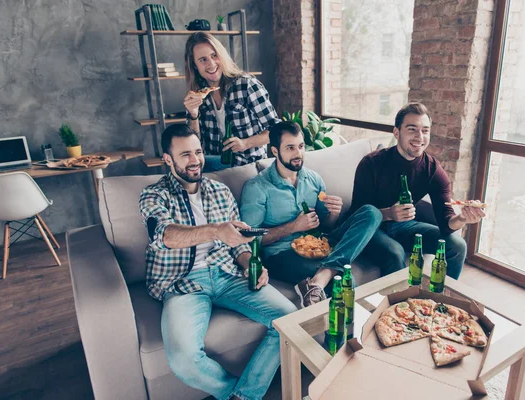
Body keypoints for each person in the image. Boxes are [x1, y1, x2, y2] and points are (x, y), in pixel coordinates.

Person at [138, 124, 297, 400]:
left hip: (228, 275)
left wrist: (250, 264)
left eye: (198, 152)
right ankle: (238, 393)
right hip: (182, 283)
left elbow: (238, 246)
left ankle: (245, 396)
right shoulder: (154, 195)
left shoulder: (220, 191)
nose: (195, 160)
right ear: (168, 159)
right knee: (184, 359)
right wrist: (214, 230)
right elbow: (164, 235)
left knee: (290, 319)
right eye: (185, 154)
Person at [240, 121, 384, 308]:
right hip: (281, 254)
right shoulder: (257, 187)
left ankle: (322, 275)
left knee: (371, 213)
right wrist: (294, 226)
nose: (298, 153)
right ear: (274, 151)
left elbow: (326, 227)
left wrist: (333, 213)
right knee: (342, 281)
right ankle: (342, 332)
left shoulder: (313, 179)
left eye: (300, 146)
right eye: (290, 148)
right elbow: (250, 239)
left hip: (318, 244)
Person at [350, 102, 486, 279]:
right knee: (395, 252)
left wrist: (462, 218)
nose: (419, 137)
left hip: (404, 227)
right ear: (397, 132)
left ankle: (440, 302)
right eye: (412, 129)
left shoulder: (432, 170)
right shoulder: (371, 164)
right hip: (370, 229)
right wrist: (389, 213)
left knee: (457, 246)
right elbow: (356, 215)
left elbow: (446, 223)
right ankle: (399, 305)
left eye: (425, 130)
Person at [183, 32, 280, 172]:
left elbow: (277, 130)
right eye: (203, 60)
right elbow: (194, 145)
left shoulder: (247, 84)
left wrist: (245, 143)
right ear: (195, 66)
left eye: (214, 55)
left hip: (248, 166)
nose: (211, 63)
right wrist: (193, 114)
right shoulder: (197, 95)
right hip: (215, 168)